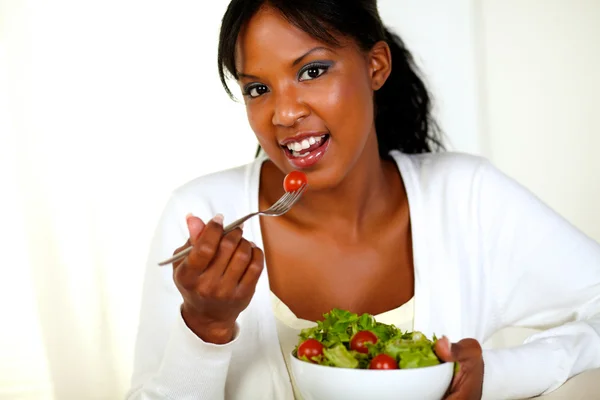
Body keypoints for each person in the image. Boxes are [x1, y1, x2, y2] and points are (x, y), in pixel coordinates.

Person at [126, 0, 600, 399]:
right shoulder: (203, 216)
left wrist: (495, 376)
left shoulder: (467, 199)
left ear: (376, 66)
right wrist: (205, 329)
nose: (285, 113)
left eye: (312, 70)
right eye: (258, 88)